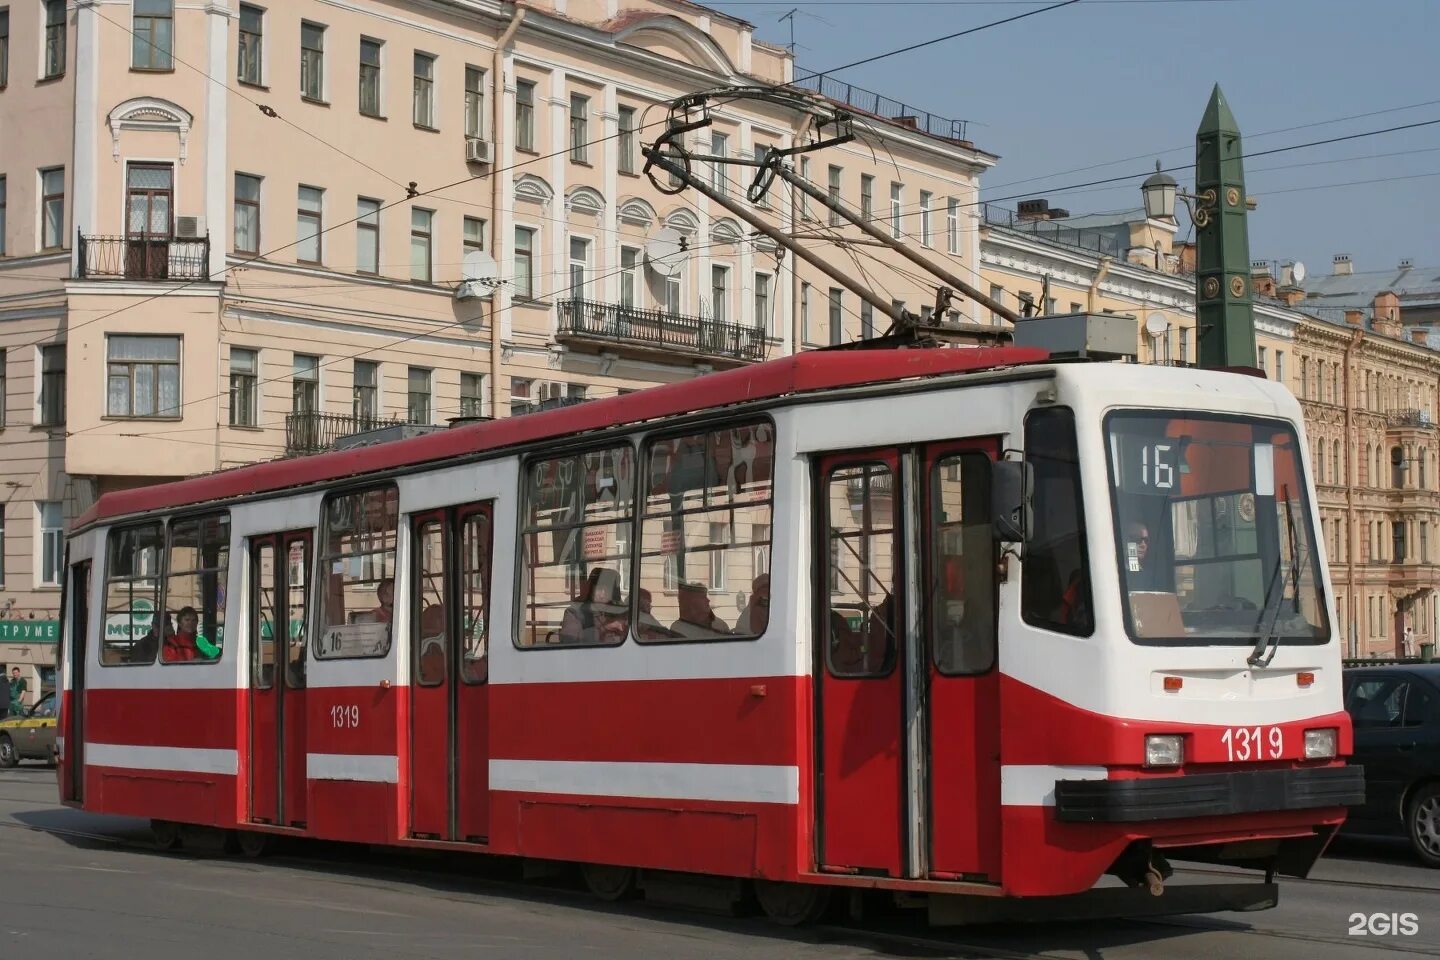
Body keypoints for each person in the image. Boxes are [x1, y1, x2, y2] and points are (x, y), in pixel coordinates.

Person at [559, 568, 627, 645]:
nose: (602, 594)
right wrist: (603, 629)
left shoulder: (620, 611)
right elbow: (568, 641)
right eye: (599, 588)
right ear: (591, 588)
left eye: (607, 590)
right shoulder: (574, 612)